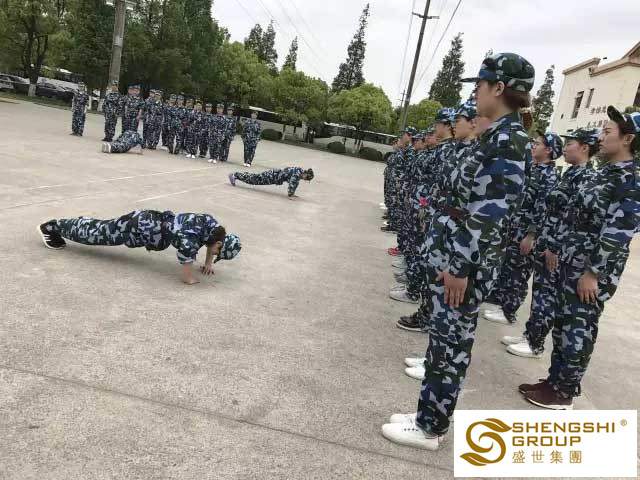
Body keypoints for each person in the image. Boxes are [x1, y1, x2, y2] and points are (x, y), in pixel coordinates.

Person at [381, 52, 535, 450]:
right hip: (453, 251)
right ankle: (427, 414)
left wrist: (460, 266)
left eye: (480, 84)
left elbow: (489, 214)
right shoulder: (495, 135)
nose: (475, 92)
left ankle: (431, 427)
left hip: (464, 261)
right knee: (443, 339)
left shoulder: (509, 141)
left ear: (498, 88)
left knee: (451, 343)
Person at [520, 107, 639, 410]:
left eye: (608, 132)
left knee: (579, 328)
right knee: (563, 325)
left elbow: (617, 233)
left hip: (590, 269)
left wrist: (593, 272)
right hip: (572, 260)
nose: (601, 137)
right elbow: (574, 216)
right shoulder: (604, 173)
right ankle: (554, 381)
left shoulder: (631, 180)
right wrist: (559, 248)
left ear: (627, 139)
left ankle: (564, 393)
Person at [501, 128, 599, 358]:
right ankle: (530, 334)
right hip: (548, 241)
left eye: (570, 143)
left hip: (558, 247)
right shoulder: (571, 173)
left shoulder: (585, 178)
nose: (565, 148)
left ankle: (535, 343)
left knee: (546, 296)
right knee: (540, 293)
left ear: (584, 148)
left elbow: (573, 219)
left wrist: (555, 246)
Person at [483, 131, 562, 325]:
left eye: (538, 143)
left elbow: (542, 208)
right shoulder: (532, 169)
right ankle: (500, 302)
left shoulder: (549, 176)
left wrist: (531, 235)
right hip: (514, 227)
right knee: (508, 267)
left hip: (526, 232)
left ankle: (509, 311)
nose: (533, 145)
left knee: (519, 272)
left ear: (549, 150)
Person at [37, 211, 242, 285]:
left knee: (100, 228)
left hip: (146, 220)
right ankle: (51, 227)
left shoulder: (212, 226)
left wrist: (208, 263)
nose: (213, 255)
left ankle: (72, 224)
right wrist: (190, 279)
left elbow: (210, 245)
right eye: (217, 253)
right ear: (219, 243)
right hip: (139, 228)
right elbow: (186, 264)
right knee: (95, 234)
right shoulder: (191, 239)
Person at [390, 108, 456, 305]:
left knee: (422, 250)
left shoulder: (448, 151)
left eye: (437, 125)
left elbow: (436, 184)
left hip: (432, 209)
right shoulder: (443, 150)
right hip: (424, 205)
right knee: (416, 246)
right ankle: (413, 283)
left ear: (447, 125)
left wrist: (425, 208)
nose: (432, 131)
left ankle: (414, 291)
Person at [228, 167, 314, 198]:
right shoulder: (297, 174)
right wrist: (291, 194)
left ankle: (236, 175)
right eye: (306, 178)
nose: (305, 180)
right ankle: (235, 175)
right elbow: (292, 184)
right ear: (305, 173)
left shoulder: (299, 171)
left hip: (273, 175)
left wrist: (292, 193)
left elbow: (295, 184)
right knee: (253, 179)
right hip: (272, 176)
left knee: (254, 178)